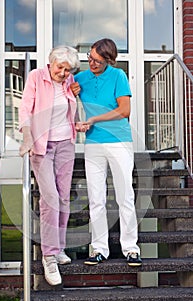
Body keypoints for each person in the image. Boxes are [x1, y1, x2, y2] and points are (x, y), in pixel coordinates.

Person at [71, 38, 142, 267]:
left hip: (119, 141)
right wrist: (72, 95)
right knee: (96, 199)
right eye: (89, 58)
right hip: (93, 144)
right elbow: (62, 97)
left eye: (97, 61)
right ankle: (99, 249)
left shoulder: (118, 76)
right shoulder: (80, 78)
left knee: (125, 197)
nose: (92, 63)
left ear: (108, 61)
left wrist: (94, 119)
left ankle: (131, 249)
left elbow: (124, 110)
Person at [19, 46, 80, 285]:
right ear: (50, 63)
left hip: (66, 143)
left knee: (64, 198)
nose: (64, 73)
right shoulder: (36, 77)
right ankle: (49, 257)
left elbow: (69, 111)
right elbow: (25, 109)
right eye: (60, 68)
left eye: (67, 69)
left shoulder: (70, 81)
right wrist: (26, 138)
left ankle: (59, 248)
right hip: (42, 145)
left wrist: (78, 117)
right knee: (51, 198)